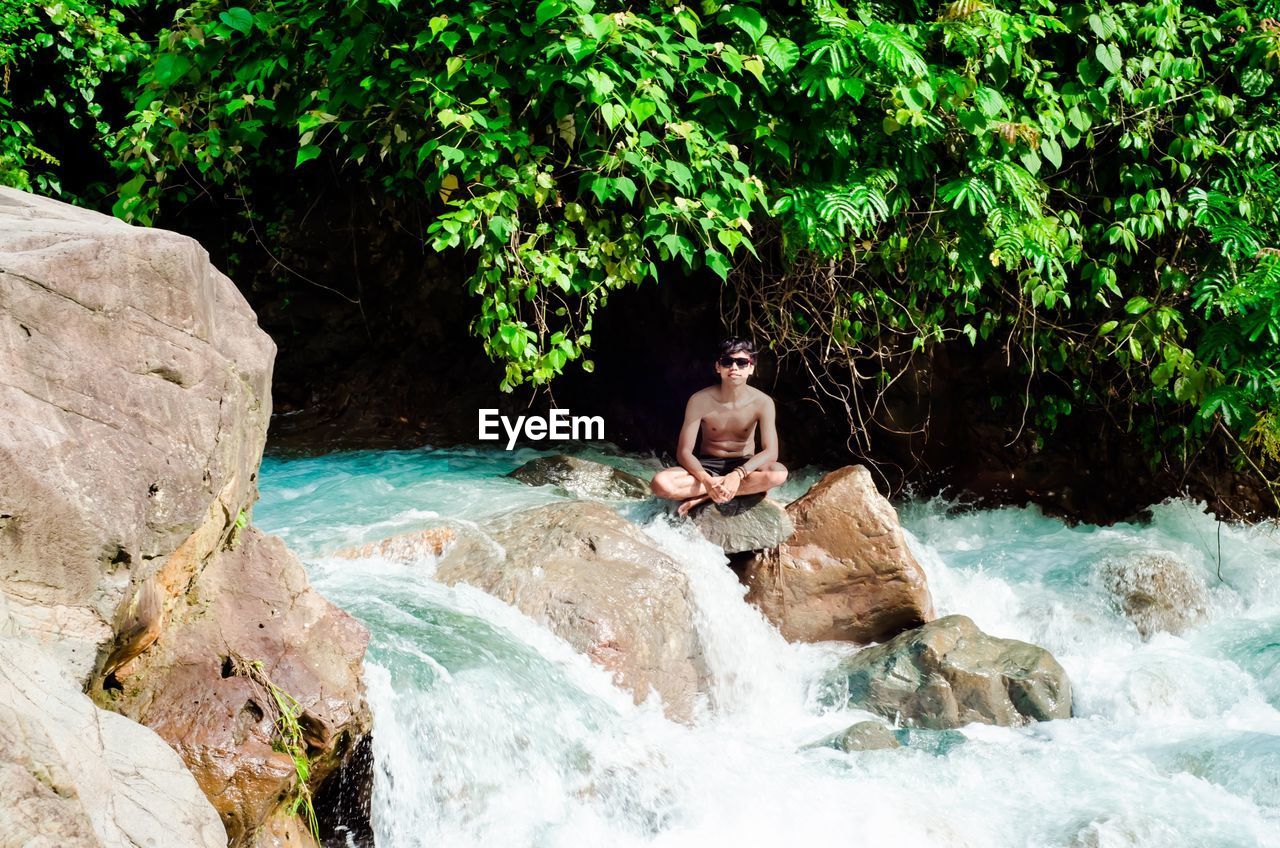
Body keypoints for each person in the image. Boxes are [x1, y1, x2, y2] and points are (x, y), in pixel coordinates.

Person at [650, 338, 789, 516]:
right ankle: (724, 490)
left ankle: (705, 496)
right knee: (660, 483)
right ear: (718, 367)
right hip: (707, 465)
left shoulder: (763, 402)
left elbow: (771, 452)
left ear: (751, 368)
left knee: (778, 473)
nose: (734, 368)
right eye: (727, 362)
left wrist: (737, 475)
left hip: (744, 465)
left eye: (741, 362)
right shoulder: (699, 400)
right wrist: (707, 481)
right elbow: (684, 452)